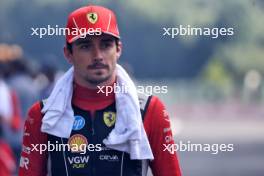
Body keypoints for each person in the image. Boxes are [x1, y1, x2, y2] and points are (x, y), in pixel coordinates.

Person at [19, 5, 181, 176]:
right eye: (85, 46)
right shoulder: (43, 116)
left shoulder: (150, 110)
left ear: (118, 49)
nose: (97, 55)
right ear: (68, 54)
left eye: (105, 45)